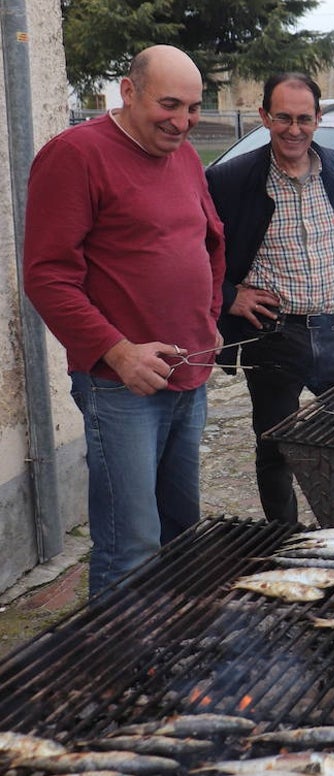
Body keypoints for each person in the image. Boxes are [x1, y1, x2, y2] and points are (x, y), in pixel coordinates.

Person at [23, 45, 225, 599]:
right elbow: (47, 277)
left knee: (183, 530)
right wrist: (118, 352)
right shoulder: (75, 155)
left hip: (190, 375)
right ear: (128, 91)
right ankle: (119, 672)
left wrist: (207, 321)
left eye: (192, 107)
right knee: (130, 542)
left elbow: (208, 241)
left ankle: (178, 646)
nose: (183, 122)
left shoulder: (183, 154)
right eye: (169, 104)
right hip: (121, 386)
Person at [206, 72, 334, 523]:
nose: (294, 129)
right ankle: (283, 539)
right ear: (264, 117)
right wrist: (228, 295)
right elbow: (193, 251)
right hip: (271, 337)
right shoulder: (230, 179)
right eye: (283, 118)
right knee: (276, 448)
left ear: (319, 118)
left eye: (304, 119)